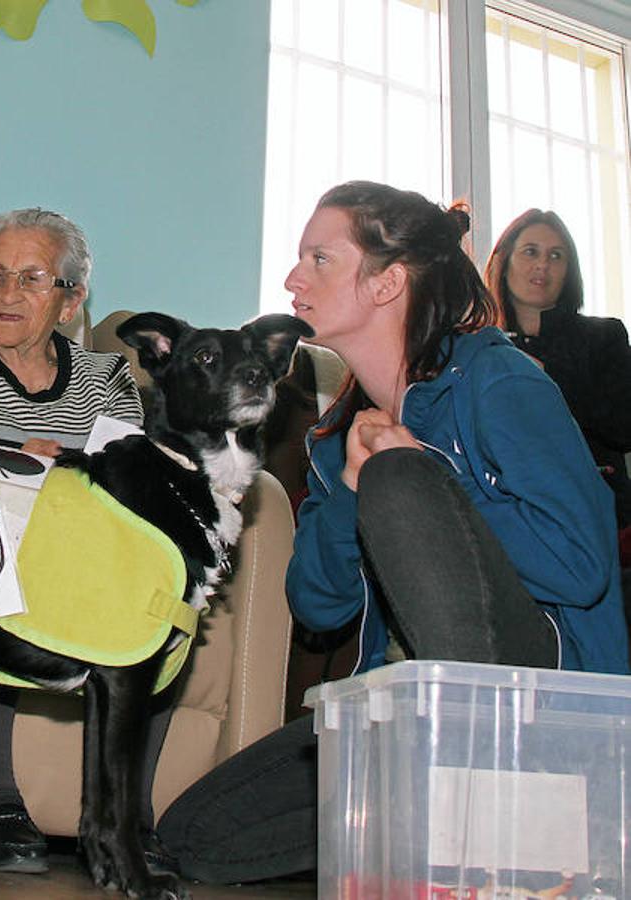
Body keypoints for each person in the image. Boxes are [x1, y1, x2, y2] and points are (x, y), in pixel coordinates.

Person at [154, 181, 629, 883]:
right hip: (406, 707)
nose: (293, 278)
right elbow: (320, 608)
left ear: (388, 283)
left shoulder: (497, 379)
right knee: (194, 835)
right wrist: (349, 486)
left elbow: (583, 565)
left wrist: (426, 470)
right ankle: (437, 824)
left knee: (401, 480)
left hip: (544, 705)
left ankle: (512, 835)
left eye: (320, 258)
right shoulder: (333, 435)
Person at [0, 208, 174, 874]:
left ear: (71, 302)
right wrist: (16, 457)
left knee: (157, 593)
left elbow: (126, 479)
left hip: (79, 549)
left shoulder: (106, 379)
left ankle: (127, 819)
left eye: (31, 278)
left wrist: (65, 474)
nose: (7, 293)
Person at [483, 209, 631, 531]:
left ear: (569, 271)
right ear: (503, 262)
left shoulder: (605, 336)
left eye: (556, 255)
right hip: (504, 510)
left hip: (594, 508)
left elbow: (623, 426)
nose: (543, 265)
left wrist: (548, 376)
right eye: (530, 252)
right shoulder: (480, 346)